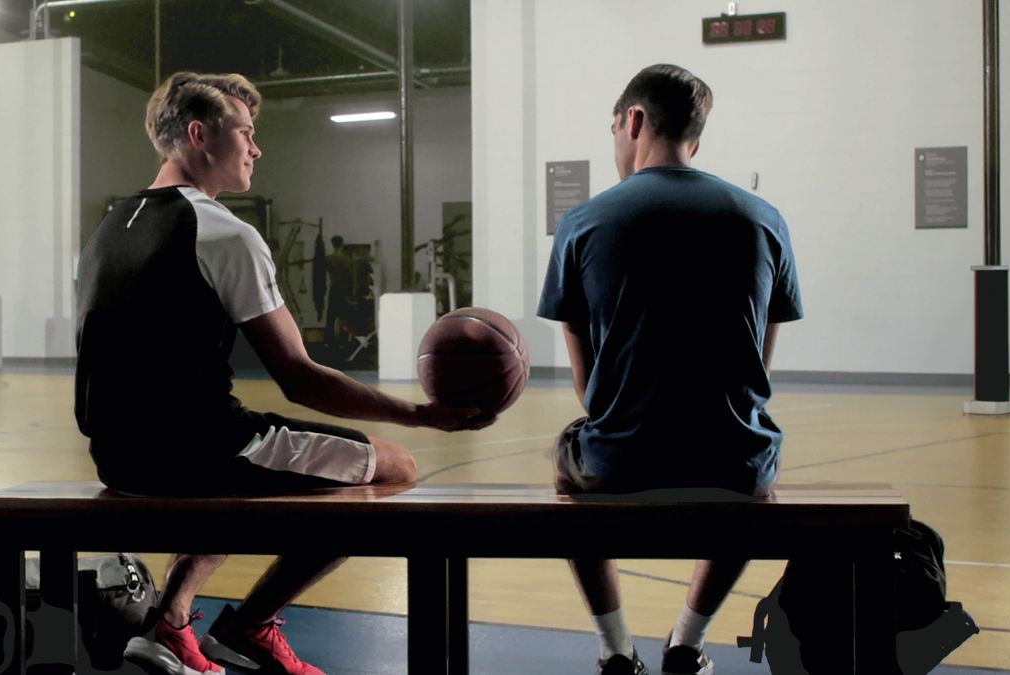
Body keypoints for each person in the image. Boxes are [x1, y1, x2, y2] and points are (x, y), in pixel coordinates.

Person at [75, 71, 492, 675]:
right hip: (196, 454)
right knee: (394, 467)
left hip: (116, 457)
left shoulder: (110, 227)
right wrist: (420, 415)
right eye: (244, 132)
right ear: (199, 135)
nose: (255, 147)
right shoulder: (223, 232)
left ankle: (171, 622)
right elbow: (300, 377)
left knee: (251, 465)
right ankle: (249, 625)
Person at [536, 64, 803, 675]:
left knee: (566, 461)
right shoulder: (764, 219)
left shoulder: (582, 223)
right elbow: (757, 369)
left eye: (614, 130)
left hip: (618, 464)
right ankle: (687, 642)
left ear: (633, 121)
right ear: (696, 138)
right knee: (752, 454)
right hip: (733, 465)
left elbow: (590, 392)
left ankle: (615, 649)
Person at [323, 235, 355, 347]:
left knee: (331, 316)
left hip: (334, 289)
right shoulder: (346, 259)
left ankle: (328, 341)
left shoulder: (328, 259)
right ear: (341, 244)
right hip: (344, 289)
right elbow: (350, 275)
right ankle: (343, 341)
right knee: (344, 316)